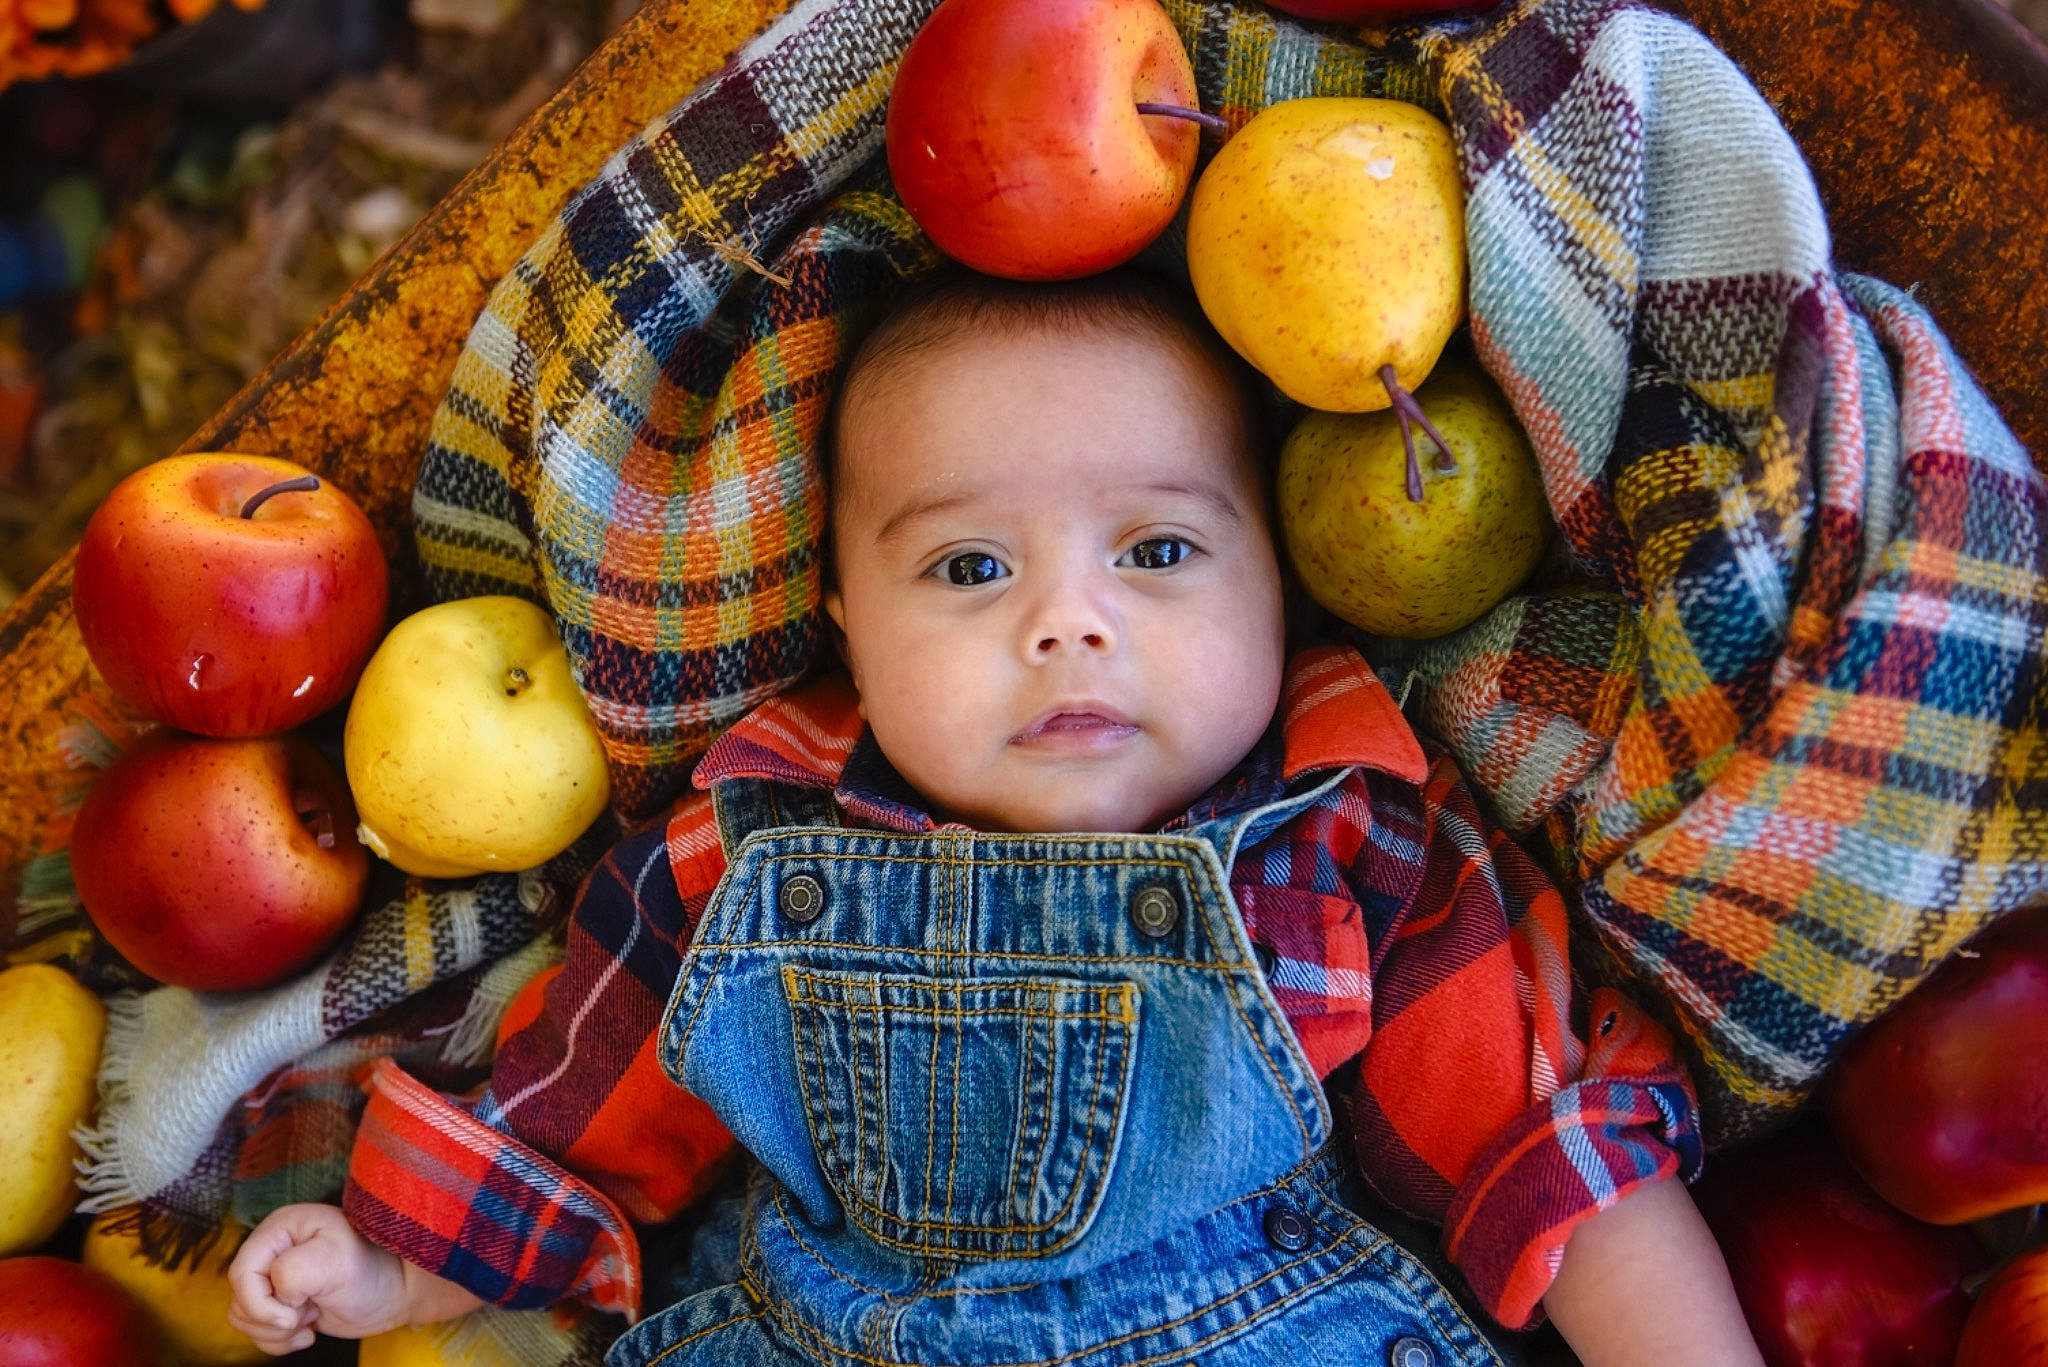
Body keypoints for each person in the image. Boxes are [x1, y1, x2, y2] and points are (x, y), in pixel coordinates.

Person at [227, 269, 1766, 1366]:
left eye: (1158, 551)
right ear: (844, 621)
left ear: (1280, 590)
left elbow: (1552, 1155)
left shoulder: (1351, 847)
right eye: (970, 570)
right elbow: (578, 1119)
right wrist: (396, 1266)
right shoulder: (747, 852)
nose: (1068, 624)